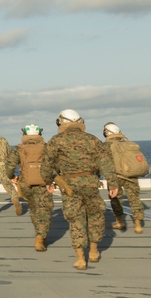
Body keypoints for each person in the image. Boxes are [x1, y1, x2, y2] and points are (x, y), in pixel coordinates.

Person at [40, 109, 118, 271]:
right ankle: (95, 250)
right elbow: (106, 163)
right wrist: (113, 184)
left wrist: (48, 182)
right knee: (96, 215)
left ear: (61, 122)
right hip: (91, 183)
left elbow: (47, 165)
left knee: (76, 219)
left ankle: (80, 258)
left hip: (69, 186)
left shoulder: (56, 141)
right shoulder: (92, 140)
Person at [6, 124, 55, 252]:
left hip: (26, 183)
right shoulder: (48, 147)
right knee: (44, 210)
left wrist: (12, 177)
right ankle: (40, 237)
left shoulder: (19, 149)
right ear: (39, 134)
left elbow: (9, 167)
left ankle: (38, 233)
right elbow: (57, 164)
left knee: (33, 208)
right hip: (44, 183)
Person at [102, 122, 145, 234]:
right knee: (135, 199)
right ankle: (138, 225)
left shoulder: (106, 146)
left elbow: (103, 162)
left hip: (115, 177)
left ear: (106, 133)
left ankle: (120, 222)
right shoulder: (128, 144)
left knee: (116, 200)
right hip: (131, 176)